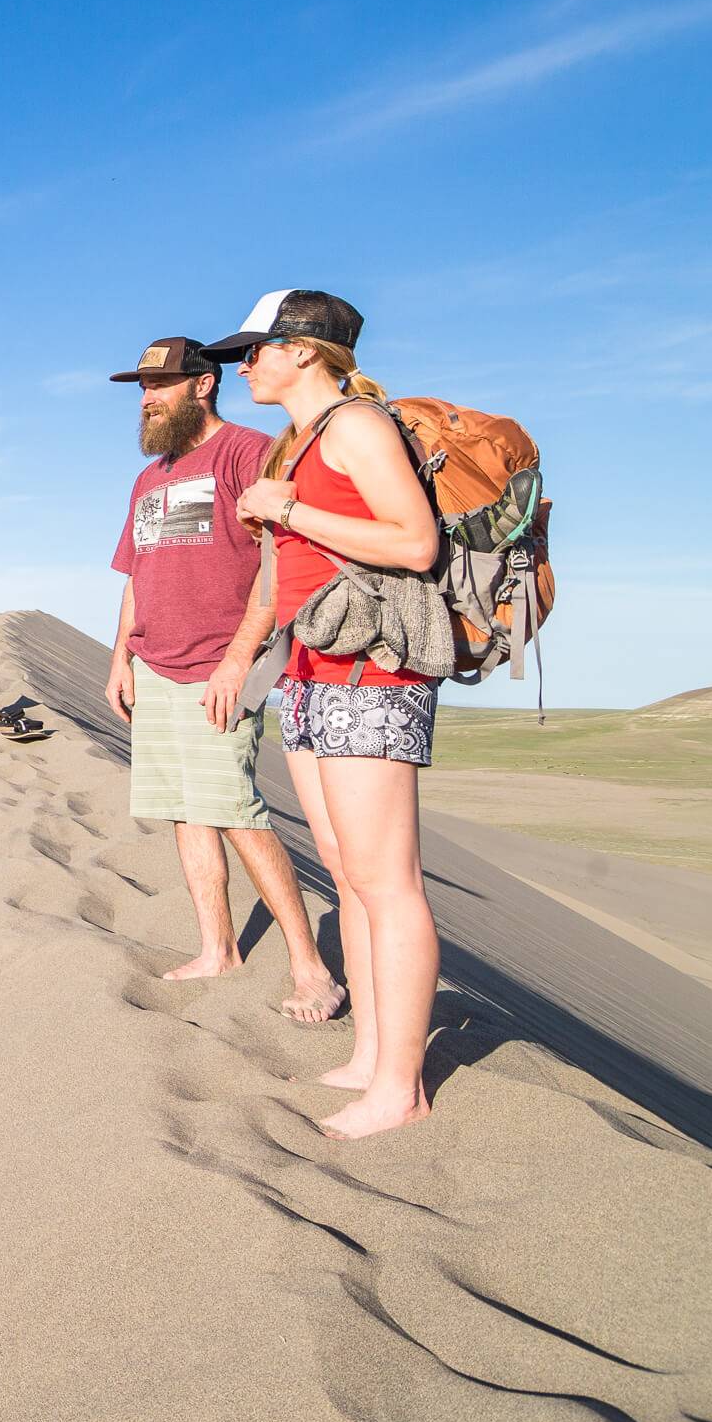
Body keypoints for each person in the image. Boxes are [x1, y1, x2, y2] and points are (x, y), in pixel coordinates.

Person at [207, 289, 444, 1140]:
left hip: (373, 671)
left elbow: (416, 544)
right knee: (347, 872)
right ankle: (374, 1055)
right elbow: (281, 575)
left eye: (257, 349)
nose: (244, 365)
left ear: (305, 351)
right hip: (308, 670)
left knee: (389, 882)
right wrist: (245, 653)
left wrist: (290, 510)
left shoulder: (356, 427)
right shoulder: (292, 445)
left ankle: (401, 1088)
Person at [104, 336, 341, 1023]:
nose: (147, 399)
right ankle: (217, 948)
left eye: (161, 385)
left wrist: (240, 660)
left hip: (221, 665)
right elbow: (135, 576)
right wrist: (120, 657)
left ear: (202, 386)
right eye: (142, 389)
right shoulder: (150, 478)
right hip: (156, 664)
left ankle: (310, 967)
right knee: (186, 810)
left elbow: (277, 564)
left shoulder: (247, 452)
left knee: (235, 810)